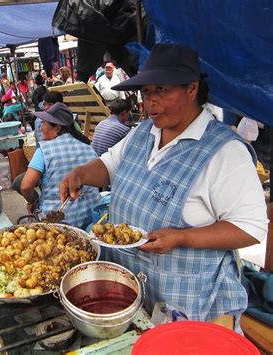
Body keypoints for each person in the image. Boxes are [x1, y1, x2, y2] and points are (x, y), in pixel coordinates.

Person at [59, 44, 268, 332]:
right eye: (146, 92)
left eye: (162, 90)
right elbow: (108, 166)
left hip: (188, 306)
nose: (151, 102)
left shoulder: (225, 151)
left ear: (192, 89)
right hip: (128, 293)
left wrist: (182, 238)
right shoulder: (144, 132)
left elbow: (251, 228)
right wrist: (80, 174)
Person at [20, 103, 101, 228]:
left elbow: (25, 186)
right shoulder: (88, 148)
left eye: (44, 124)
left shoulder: (44, 150)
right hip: (91, 218)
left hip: (60, 222)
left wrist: (32, 201)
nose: (41, 128)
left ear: (57, 128)